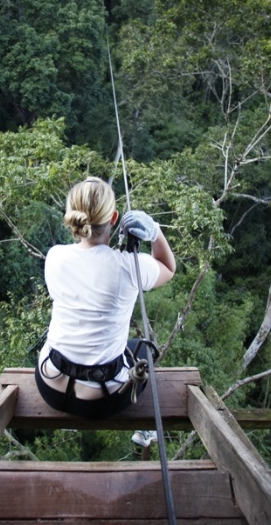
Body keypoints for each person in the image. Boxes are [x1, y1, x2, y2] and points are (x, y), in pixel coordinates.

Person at [35, 176, 176, 420]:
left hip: (50, 385)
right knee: (142, 352)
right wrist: (154, 231)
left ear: (72, 218)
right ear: (114, 218)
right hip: (100, 401)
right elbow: (167, 267)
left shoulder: (55, 257)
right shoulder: (129, 267)